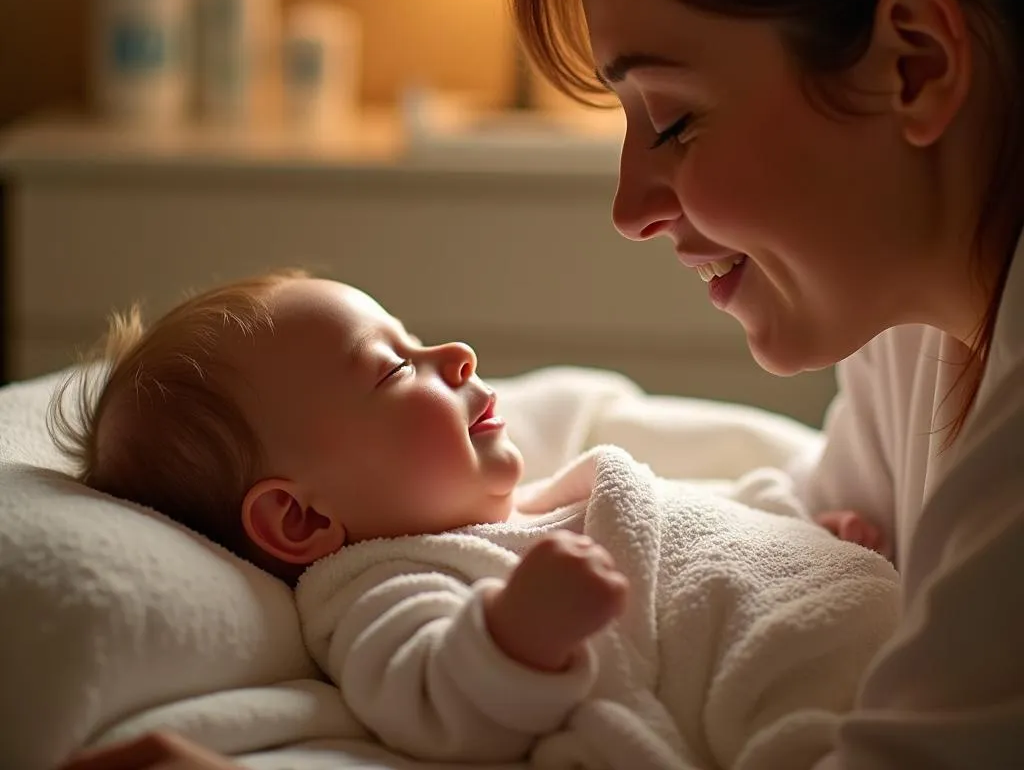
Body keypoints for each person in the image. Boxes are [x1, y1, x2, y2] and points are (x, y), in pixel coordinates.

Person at [61, 0, 1024, 764]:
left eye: (675, 120)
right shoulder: (915, 326)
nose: (630, 207)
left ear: (911, 64)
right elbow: (827, 538)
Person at [53, 271, 896, 770]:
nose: (453, 355)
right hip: (770, 700)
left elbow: (696, 528)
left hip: (858, 625)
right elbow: (427, 699)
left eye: (413, 337)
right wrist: (516, 633)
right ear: (301, 517)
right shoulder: (381, 583)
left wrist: (801, 525)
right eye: (393, 370)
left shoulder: (548, 501)